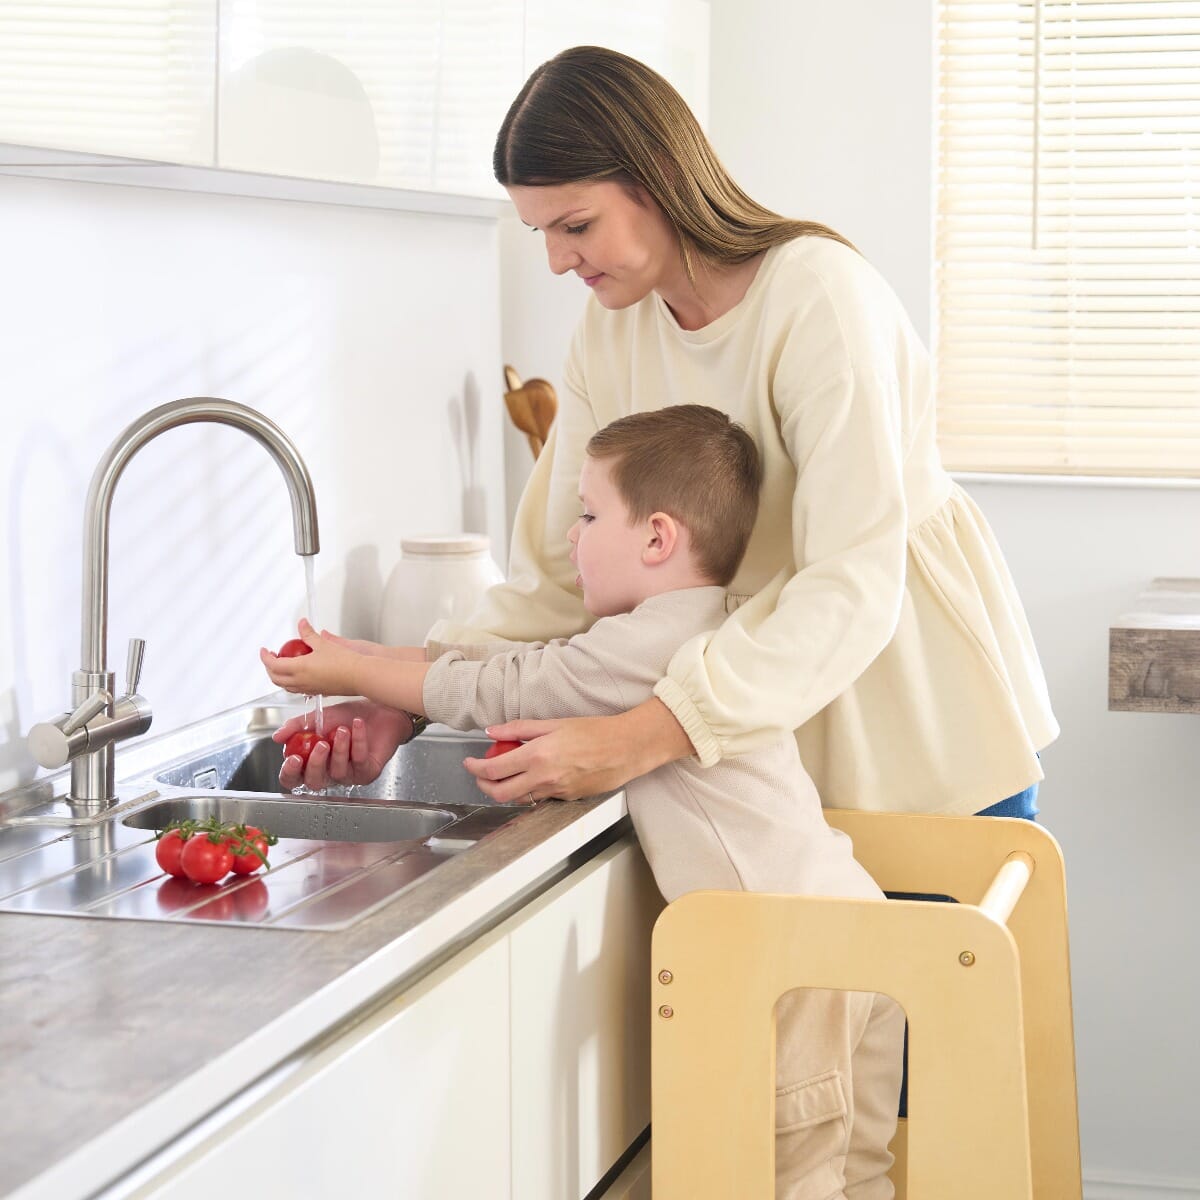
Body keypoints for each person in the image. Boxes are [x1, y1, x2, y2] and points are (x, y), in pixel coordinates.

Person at [278, 44, 1057, 828]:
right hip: (756, 756)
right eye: (540, 231)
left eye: (576, 225)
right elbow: (558, 575)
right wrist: (409, 705)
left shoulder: (817, 299)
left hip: (917, 735)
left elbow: (849, 585)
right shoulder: (610, 334)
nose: (555, 260)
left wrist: (642, 737)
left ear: (657, 179)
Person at [263, 405, 904, 1200]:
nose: (573, 536)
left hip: (790, 964)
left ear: (657, 539)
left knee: (790, 1183)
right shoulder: (693, 625)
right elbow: (530, 659)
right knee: (857, 1176)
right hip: (853, 933)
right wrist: (367, 655)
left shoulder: (642, 644)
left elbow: (508, 683)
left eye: (590, 514)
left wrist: (356, 676)